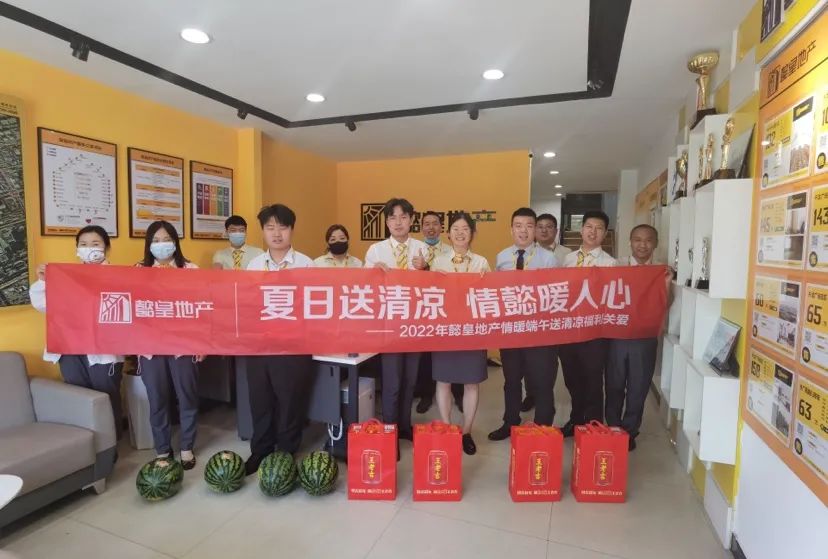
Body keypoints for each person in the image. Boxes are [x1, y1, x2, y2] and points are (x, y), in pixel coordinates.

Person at [29, 225, 125, 440]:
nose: (89, 248)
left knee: (106, 396)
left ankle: (110, 447)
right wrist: (43, 280)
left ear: (106, 248)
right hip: (70, 348)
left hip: (103, 349)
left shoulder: (119, 277)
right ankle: (86, 444)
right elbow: (42, 304)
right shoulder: (66, 277)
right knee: (78, 396)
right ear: (77, 249)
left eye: (95, 244)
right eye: (83, 244)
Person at [244, 204, 315, 475]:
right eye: (270, 227)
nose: (276, 234)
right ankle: (261, 450)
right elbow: (247, 304)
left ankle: (286, 451)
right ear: (262, 231)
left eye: (282, 227)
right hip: (259, 345)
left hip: (293, 344)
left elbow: (314, 305)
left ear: (292, 230)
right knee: (260, 399)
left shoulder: (306, 264)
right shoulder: (253, 265)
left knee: (289, 399)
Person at [488, 208, 560, 441]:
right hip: (511, 331)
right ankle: (510, 421)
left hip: (539, 332)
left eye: (529, 226)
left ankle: (543, 426)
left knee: (542, 381)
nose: (523, 231)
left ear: (535, 230)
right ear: (511, 229)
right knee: (511, 380)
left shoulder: (548, 258)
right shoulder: (502, 257)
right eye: (518, 226)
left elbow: (555, 295)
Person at [136, 220, 202, 469]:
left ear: (175, 242)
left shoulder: (191, 270)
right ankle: (162, 450)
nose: (161, 245)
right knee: (157, 400)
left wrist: (202, 344)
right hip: (150, 348)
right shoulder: (138, 271)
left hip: (184, 346)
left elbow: (203, 309)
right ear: (148, 244)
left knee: (187, 397)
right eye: (155, 240)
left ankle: (187, 447)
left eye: (166, 239)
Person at [364, 198, 428, 446]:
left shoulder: (423, 249)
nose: (398, 222)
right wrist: (373, 273)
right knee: (392, 381)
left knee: (410, 380)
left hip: (414, 324)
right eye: (392, 217)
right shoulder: (375, 251)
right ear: (386, 222)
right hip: (388, 325)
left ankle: (404, 425)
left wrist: (426, 269)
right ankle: (390, 429)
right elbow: (364, 289)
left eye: (403, 217)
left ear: (411, 220)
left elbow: (434, 286)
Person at [431, 212, 491, 455]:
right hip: (446, 330)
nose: (459, 233)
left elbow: (490, 296)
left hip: (473, 330)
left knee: (471, 383)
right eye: (455, 228)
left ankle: (466, 431)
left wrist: (485, 282)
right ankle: (447, 427)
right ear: (448, 234)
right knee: (443, 381)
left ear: (472, 234)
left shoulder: (481, 263)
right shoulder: (438, 262)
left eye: (465, 228)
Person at [605, 224, 666, 451]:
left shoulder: (661, 271)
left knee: (638, 387)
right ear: (630, 242)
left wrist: (666, 286)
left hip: (644, 338)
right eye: (637, 239)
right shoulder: (616, 266)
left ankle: (630, 431)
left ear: (655, 243)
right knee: (614, 384)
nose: (642, 245)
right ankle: (613, 428)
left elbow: (665, 305)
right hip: (617, 335)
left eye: (648, 240)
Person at [559, 210, 617, 437]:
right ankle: (576, 419)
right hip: (569, 330)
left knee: (593, 379)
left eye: (599, 228)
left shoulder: (610, 263)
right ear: (581, 229)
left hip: (595, 332)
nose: (593, 232)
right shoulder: (567, 259)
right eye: (589, 227)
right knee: (572, 379)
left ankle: (593, 426)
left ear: (605, 234)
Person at [520, 212, 571, 412]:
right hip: (531, 315)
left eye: (548, 227)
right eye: (539, 226)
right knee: (529, 360)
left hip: (556, 315)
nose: (543, 230)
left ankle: (545, 395)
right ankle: (531, 394)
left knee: (549, 362)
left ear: (556, 230)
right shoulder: (525, 253)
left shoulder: (567, 254)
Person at [415, 211, 463, 414]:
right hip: (424, 309)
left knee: (453, 353)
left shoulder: (452, 250)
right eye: (426, 224)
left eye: (435, 223)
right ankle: (426, 394)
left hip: (449, 311)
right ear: (421, 228)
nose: (431, 227)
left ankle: (459, 394)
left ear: (442, 228)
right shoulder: (414, 250)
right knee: (426, 355)